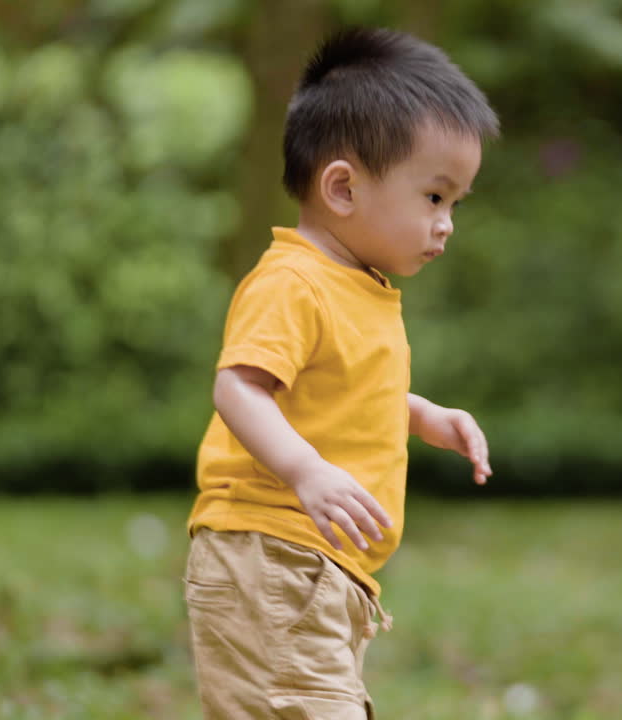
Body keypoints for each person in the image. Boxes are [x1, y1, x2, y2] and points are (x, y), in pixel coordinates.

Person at [183, 26, 500, 719]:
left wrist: (423, 417)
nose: (447, 224)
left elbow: (342, 384)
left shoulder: (356, 285)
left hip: (316, 570)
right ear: (343, 189)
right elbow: (238, 386)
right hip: (273, 558)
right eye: (434, 197)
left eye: (456, 203)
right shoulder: (293, 282)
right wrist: (306, 470)